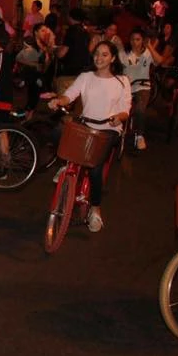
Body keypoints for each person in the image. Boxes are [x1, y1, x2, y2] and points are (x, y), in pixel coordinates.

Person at [48, 41, 131, 232]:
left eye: (104, 54)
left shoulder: (122, 81)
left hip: (108, 130)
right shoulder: (86, 77)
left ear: (112, 58)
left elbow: (126, 109)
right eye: (96, 54)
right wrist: (59, 101)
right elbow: (70, 95)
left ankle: (95, 209)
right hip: (86, 125)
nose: (99, 58)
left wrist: (118, 117)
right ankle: (65, 165)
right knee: (58, 132)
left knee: (95, 169)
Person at [119, 27, 154, 150]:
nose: (135, 42)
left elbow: (159, 61)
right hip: (126, 87)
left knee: (139, 109)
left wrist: (150, 46)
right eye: (132, 39)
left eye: (138, 39)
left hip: (142, 86)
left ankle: (140, 135)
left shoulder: (147, 53)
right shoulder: (124, 54)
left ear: (143, 40)